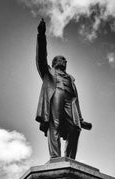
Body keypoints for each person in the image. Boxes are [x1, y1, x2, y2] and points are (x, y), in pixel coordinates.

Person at [35, 19, 92, 159]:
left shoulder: (70, 78)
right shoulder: (48, 72)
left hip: (69, 100)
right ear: (55, 62)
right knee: (55, 124)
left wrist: (81, 118)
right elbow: (41, 57)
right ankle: (55, 158)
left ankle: (69, 159)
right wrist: (41, 35)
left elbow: (76, 100)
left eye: (65, 60)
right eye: (62, 59)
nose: (65, 62)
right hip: (56, 94)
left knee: (75, 128)